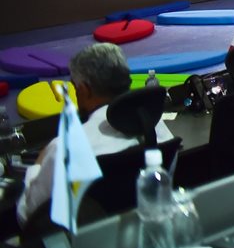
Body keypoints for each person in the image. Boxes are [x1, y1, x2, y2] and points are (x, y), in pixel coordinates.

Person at [17, 43, 173, 227]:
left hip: (83, 246)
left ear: (84, 90)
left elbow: (28, 216)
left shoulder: (64, 147)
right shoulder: (156, 126)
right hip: (150, 228)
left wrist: (37, 166)